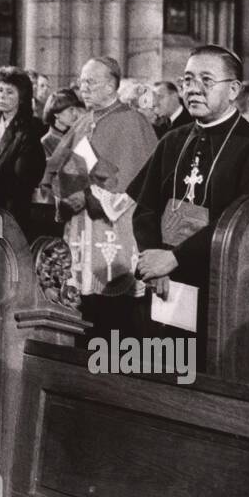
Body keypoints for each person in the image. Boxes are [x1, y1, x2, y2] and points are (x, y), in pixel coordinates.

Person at [132, 46, 249, 333]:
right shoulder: (172, 140)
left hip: (220, 283)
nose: (194, 90)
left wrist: (174, 258)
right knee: (162, 366)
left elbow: (247, 225)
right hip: (164, 280)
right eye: (188, 80)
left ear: (233, 90)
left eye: (206, 80)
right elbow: (145, 207)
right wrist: (153, 258)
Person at [49, 58, 158, 333]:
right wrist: (64, 196)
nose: (82, 88)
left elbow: (136, 184)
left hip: (115, 231)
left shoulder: (132, 122)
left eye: (90, 82)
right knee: (83, 309)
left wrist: (87, 197)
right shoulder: (85, 121)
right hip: (81, 229)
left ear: (111, 86)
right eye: (81, 81)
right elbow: (61, 170)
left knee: (115, 316)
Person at [0, 66, 48, 233]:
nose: (3, 96)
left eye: (10, 92)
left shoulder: (28, 132)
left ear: (22, 98)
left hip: (10, 213)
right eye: (0, 90)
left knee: (0, 253)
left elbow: (24, 179)